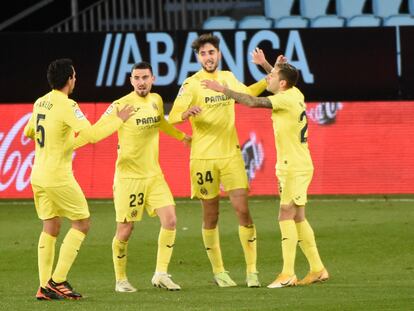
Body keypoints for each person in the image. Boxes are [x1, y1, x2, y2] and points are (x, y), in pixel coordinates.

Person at [201, 54, 329, 289]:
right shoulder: (294, 93)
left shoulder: (284, 99)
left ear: (281, 83)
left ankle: (287, 273)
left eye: (272, 76)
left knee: (285, 215)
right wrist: (269, 65)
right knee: (298, 216)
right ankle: (317, 268)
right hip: (296, 164)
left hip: (293, 167)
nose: (267, 79)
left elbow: (251, 101)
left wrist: (223, 89)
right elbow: (281, 79)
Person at [23, 58, 134, 300]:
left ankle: (44, 287)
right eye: (74, 76)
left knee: (50, 226)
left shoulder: (40, 101)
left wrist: (60, 144)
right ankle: (58, 280)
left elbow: (29, 132)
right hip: (58, 177)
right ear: (69, 79)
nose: (76, 79)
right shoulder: (67, 104)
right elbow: (92, 135)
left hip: (38, 175)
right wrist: (119, 119)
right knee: (82, 223)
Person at [75, 61, 190, 292]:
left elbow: (161, 123)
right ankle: (121, 280)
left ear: (153, 79)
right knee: (125, 230)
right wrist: (68, 146)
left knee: (170, 220)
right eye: (136, 78)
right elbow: (95, 132)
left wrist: (181, 137)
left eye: (145, 77)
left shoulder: (156, 100)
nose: (141, 82)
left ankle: (161, 274)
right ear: (131, 80)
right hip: (129, 178)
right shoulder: (121, 105)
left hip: (154, 174)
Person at [168, 33, 268, 288]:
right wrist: (184, 113)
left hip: (231, 155)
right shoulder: (191, 84)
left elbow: (246, 94)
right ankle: (219, 271)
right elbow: (171, 117)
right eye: (203, 53)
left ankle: (252, 271)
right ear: (198, 57)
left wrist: (268, 77)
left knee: (243, 211)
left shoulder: (227, 78)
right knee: (211, 216)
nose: (208, 57)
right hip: (203, 159)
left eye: (211, 52)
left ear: (219, 55)